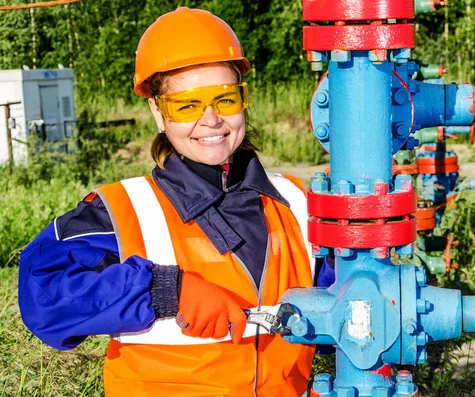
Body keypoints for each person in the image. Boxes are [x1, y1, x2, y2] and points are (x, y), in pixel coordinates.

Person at [19, 7, 330, 396]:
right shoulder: (125, 210)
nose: (212, 119)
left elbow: (351, 300)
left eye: (226, 99)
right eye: (187, 105)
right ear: (157, 112)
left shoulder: (299, 204)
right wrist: (163, 290)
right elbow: (43, 291)